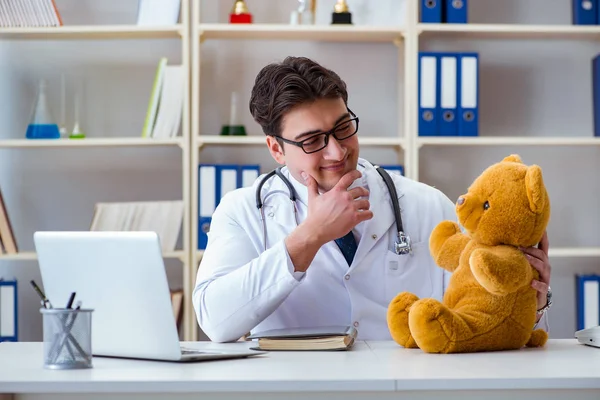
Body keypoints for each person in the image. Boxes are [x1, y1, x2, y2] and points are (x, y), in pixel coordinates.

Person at [192, 56, 552, 343]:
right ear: (276, 149)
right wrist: (310, 237)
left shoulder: (426, 205)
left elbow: (481, 320)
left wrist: (530, 302)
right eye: (312, 140)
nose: (336, 151)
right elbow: (215, 322)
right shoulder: (243, 212)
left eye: (343, 128)